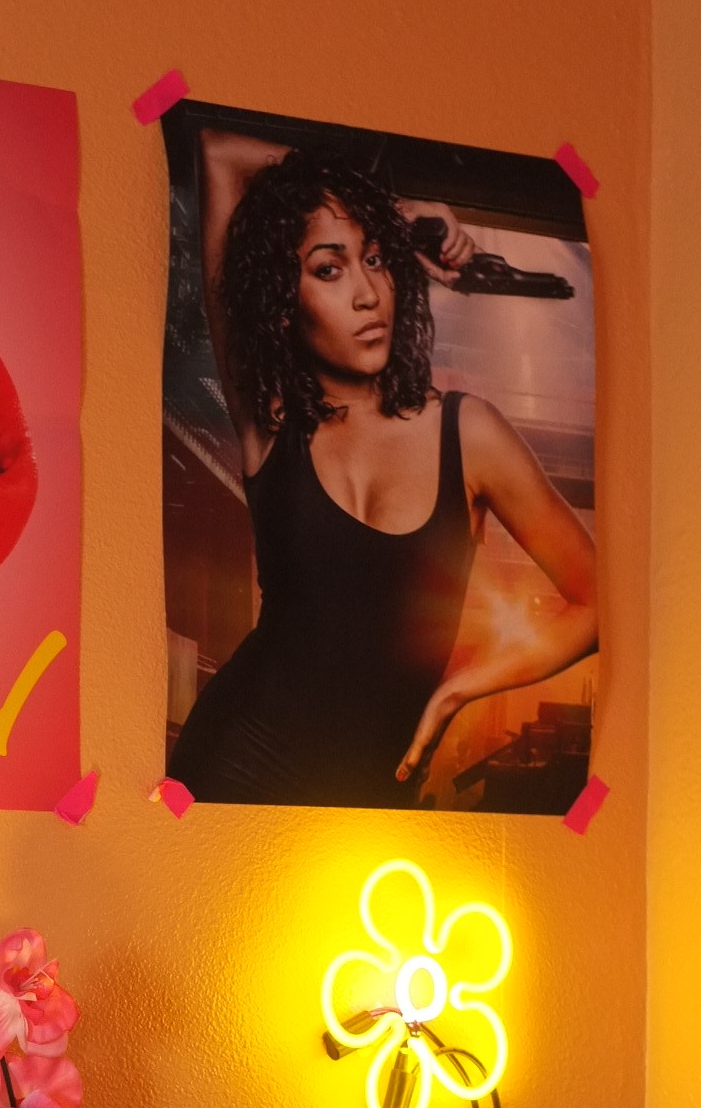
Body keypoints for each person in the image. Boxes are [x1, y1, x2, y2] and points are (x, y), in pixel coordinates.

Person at [167, 135, 599, 808]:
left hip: (370, 799)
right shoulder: (270, 414)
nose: (368, 294)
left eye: (375, 259)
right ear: (284, 298)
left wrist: (459, 688)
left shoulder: (469, 435)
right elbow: (220, 154)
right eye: (329, 269)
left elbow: (599, 603)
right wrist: (391, 208)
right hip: (230, 769)